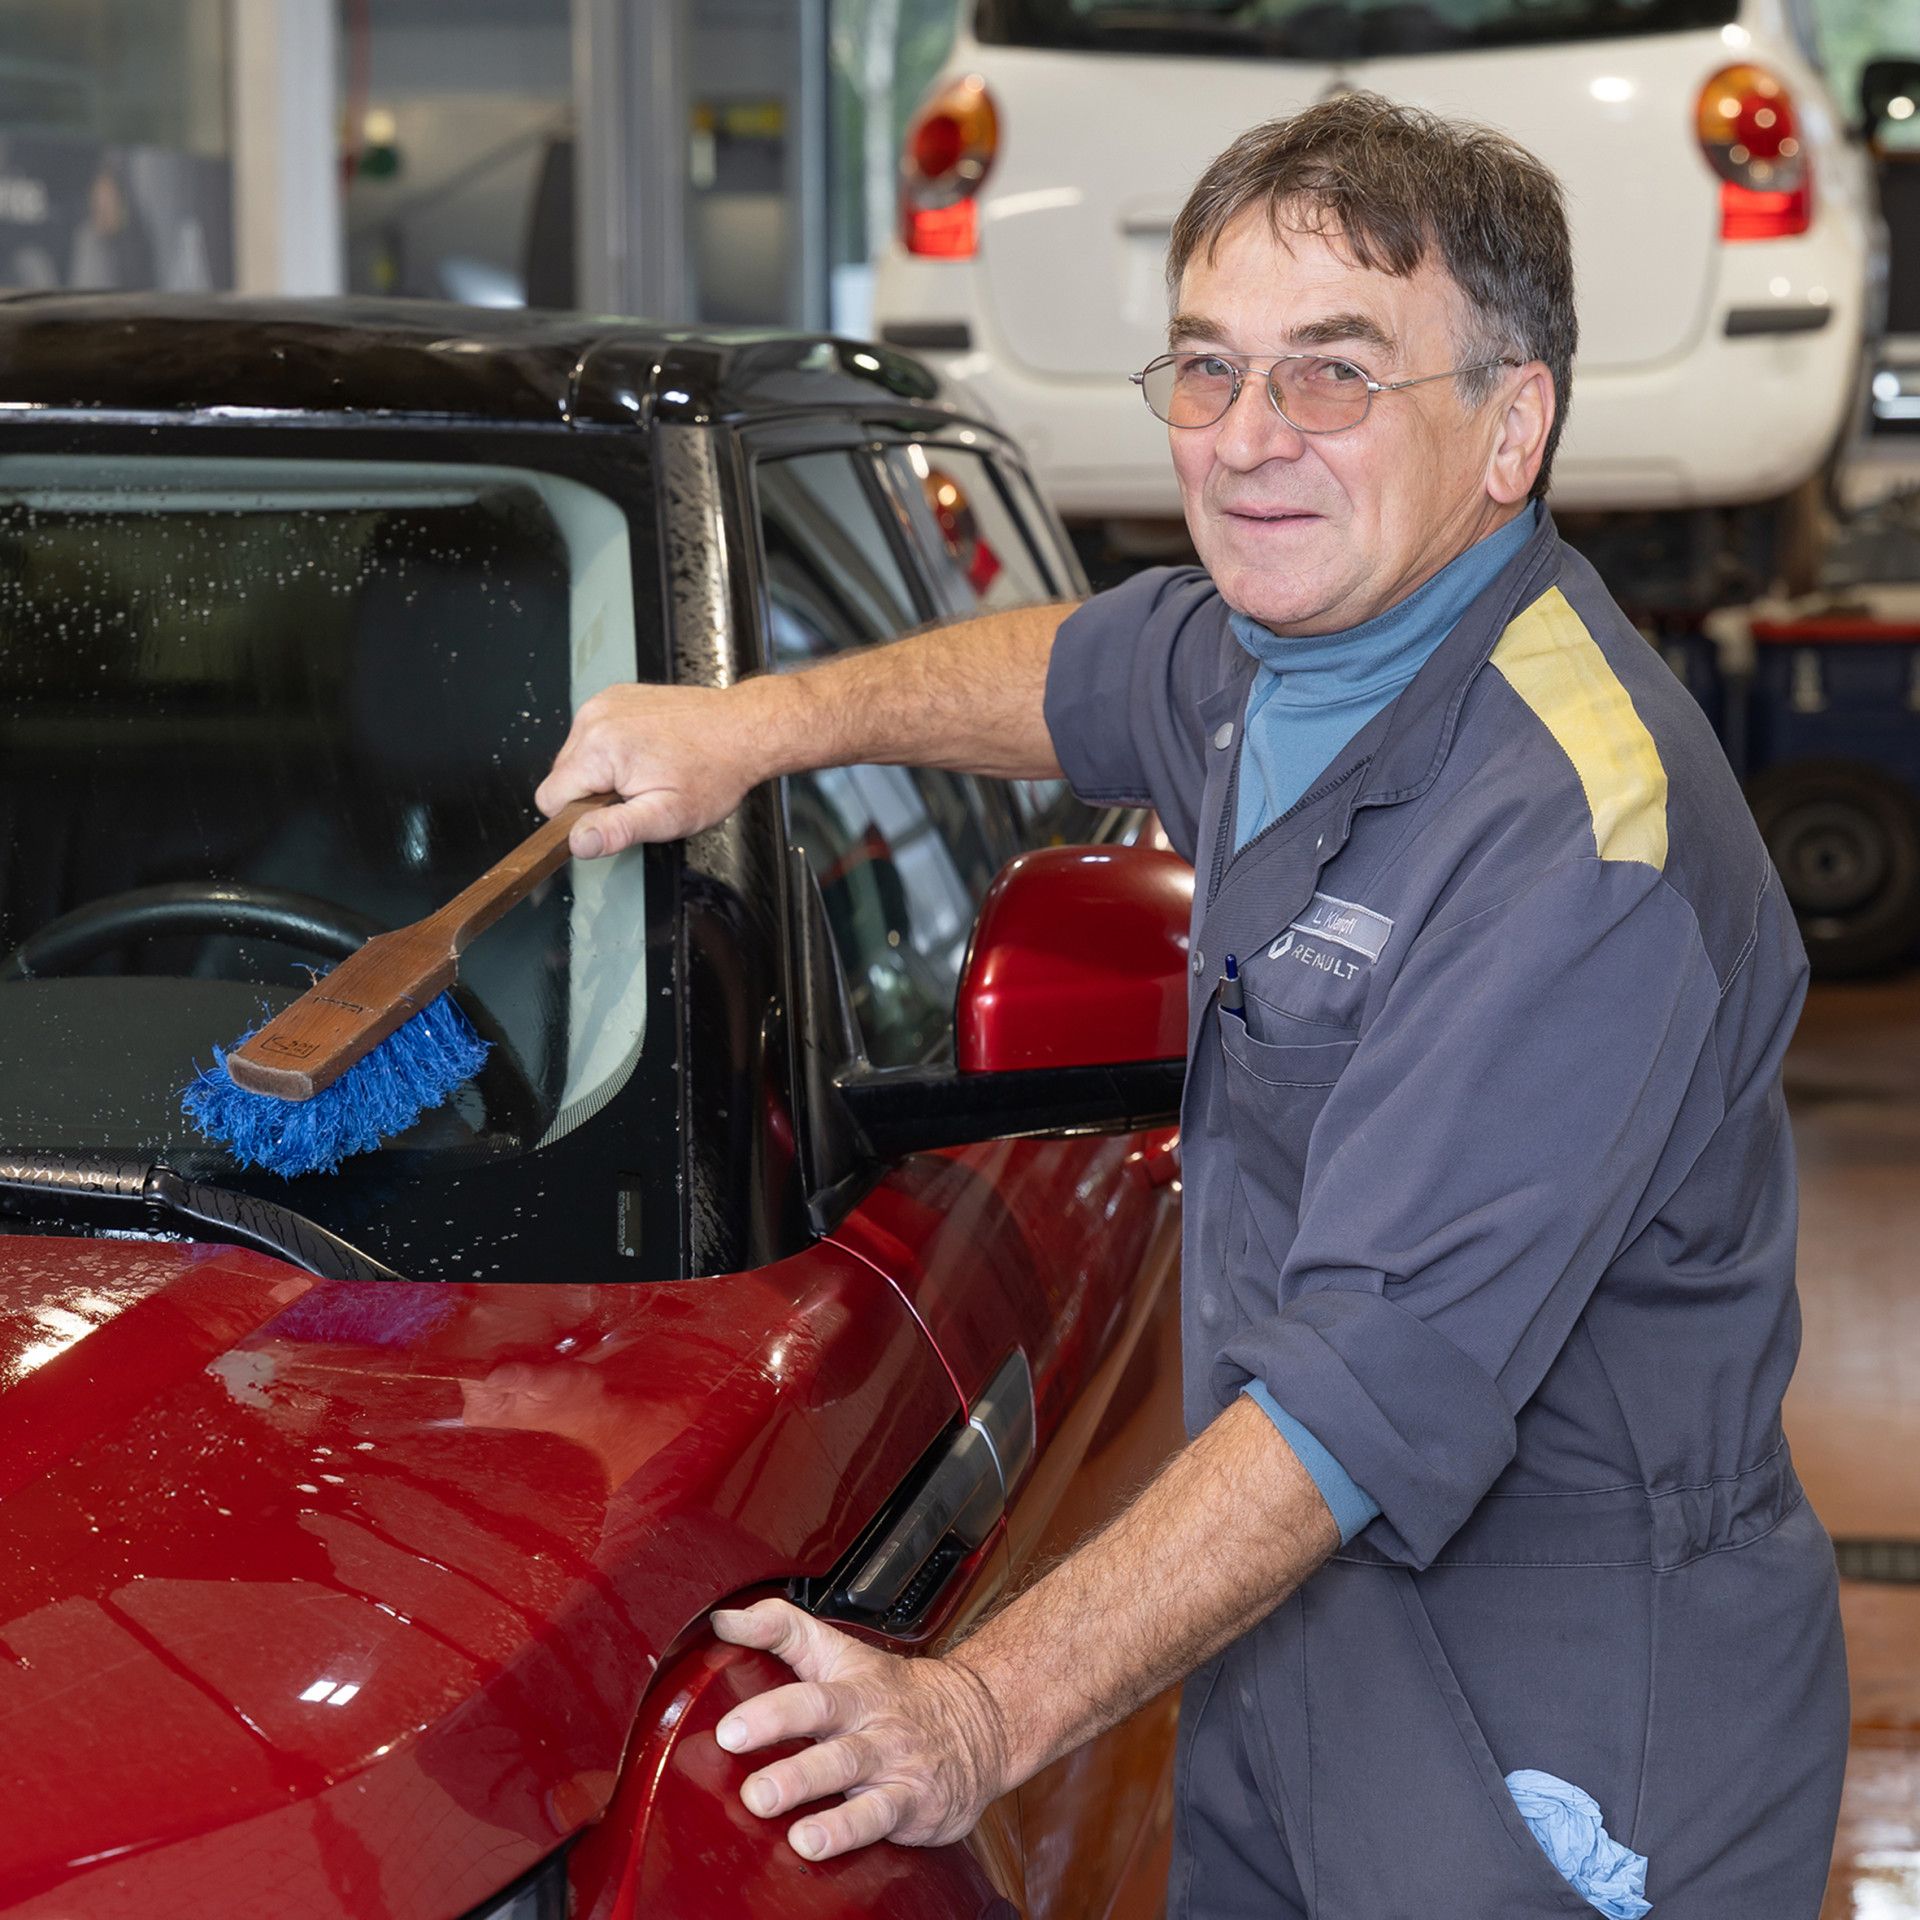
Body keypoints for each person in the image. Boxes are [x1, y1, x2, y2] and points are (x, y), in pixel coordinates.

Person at [536, 94, 1848, 1920]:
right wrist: (755, 725)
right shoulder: (1283, 641)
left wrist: (976, 1714)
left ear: (1512, 425)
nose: (1245, 439)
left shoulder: (1578, 841)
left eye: (1333, 374)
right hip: (1287, 1659)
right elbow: (1073, 671)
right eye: (1210, 368)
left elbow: (1358, 1406)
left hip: (1555, 1732)